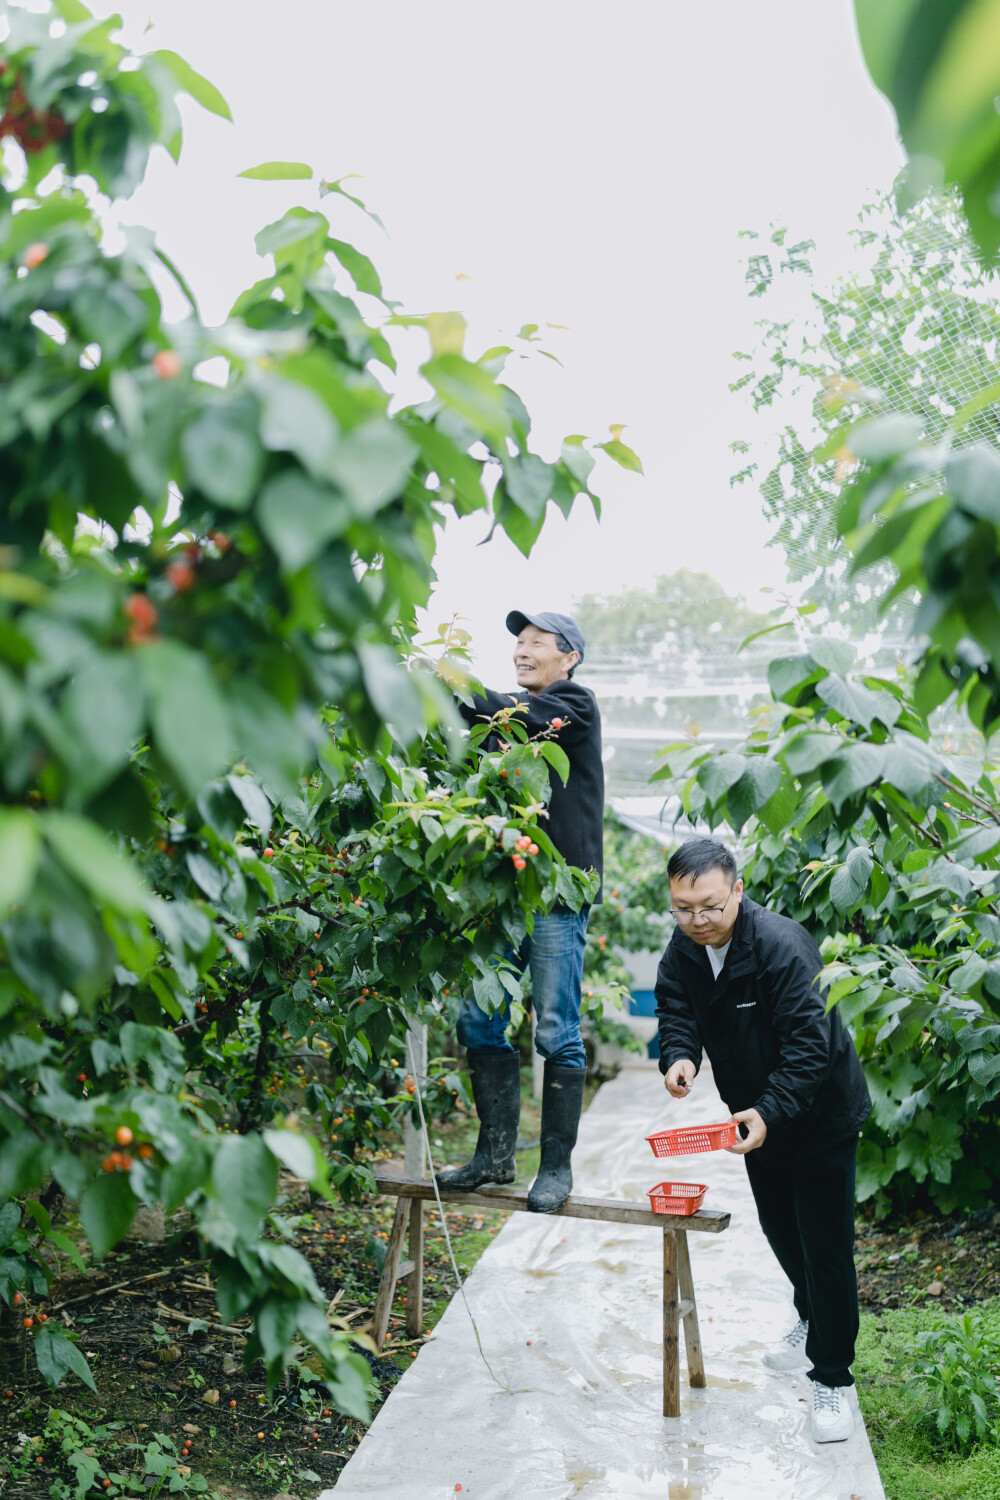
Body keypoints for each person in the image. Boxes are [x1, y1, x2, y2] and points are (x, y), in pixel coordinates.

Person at [654, 837, 871, 1444]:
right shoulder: (687, 946)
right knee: (782, 1233)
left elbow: (812, 1048)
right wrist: (679, 1057)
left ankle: (833, 1378)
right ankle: (811, 1318)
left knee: (825, 1248)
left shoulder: (781, 946)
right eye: (683, 907)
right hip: (757, 1121)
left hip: (819, 1116)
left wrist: (769, 1112)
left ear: (738, 891)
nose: (697, 921)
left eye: (710, 907)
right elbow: (676, 1001)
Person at [437, 610, 604, 1213]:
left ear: (569, 658)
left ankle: (555, 1168)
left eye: (537, 642)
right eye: (517, 643)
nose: (522, 650)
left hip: (558, 890)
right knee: (479, 1018)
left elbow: (511, 712)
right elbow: (473, 715)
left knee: (556, 1026)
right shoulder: (507, 717)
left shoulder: (574, 705)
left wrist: (448, 675)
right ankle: (494, 1156)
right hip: (504, 893)